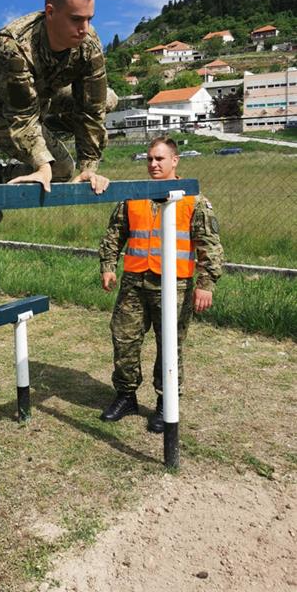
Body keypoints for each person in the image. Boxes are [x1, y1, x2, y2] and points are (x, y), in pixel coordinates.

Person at [98, 136, 223, 432]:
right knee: (124, 338)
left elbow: (210, 245)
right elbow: (115, 233)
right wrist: (107, 265)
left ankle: (166, 402)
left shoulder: (193, 199)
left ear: (174, 161)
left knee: (169, 345)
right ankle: (126, 395)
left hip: (175, 285)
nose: (153, 164)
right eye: (150, 159)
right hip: (134, 281)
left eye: (160, 159)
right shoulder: (133, 195)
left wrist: (206, 283)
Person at [0, 0, 117, 199]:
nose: (85, 28)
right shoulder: (11, 47)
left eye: (89, 19)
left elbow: (92, 109)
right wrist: (43, 165)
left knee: (108, 98)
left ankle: (50, 126)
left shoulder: (89, 44)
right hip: (1, 109)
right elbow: (22, 117)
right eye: (76, 19)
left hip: (46, 95)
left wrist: (89, 168)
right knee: (61, 170)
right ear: (50, 12)